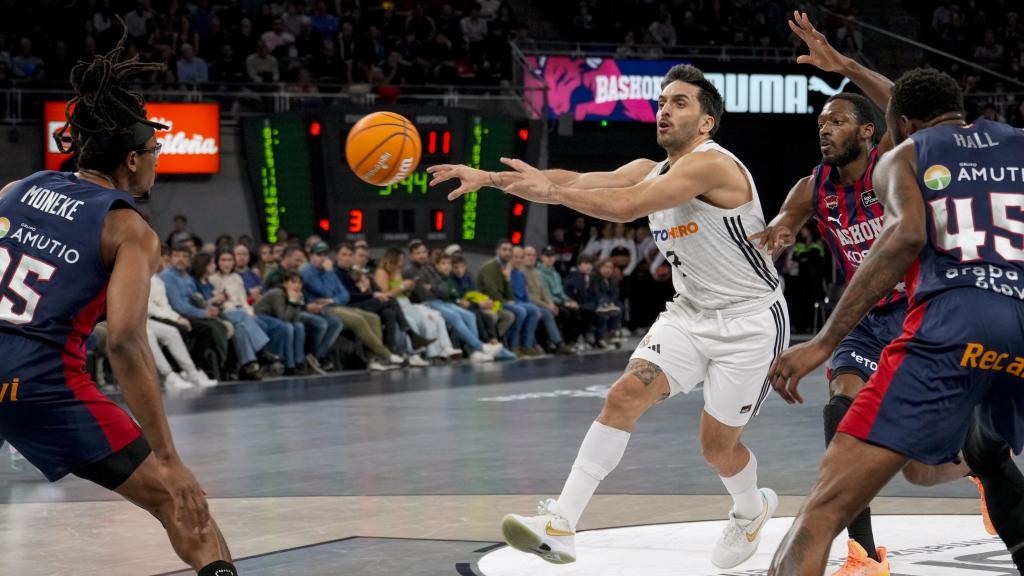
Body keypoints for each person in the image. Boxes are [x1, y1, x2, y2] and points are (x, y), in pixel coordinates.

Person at [430, 63, 788, 569]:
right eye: (662, 102)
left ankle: (751, 510)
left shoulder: (713, 165)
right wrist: (489, 178)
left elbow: (626, 207)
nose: (665, 110)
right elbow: (573, 179)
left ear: (707, 122)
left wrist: (553, 194)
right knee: (622, 396)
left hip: (749, 320)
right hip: (689, 314)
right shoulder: (650, 167)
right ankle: (561, 525)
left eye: (680, 102)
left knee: (717, 447)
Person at [766, 67, 1024, 576]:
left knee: (821, 509)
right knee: (978, 457)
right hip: (1013, 313)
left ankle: (859, 554)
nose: (825, 128)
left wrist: (821, 340)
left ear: (893, 125)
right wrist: (776, 233)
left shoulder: (900, 157)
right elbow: (784, 222)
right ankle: (969, 466)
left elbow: (906, 236)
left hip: (945, 318)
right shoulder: (1016, 142)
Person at [0, 32, 238, 575]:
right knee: (182, 503)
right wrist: (169, 459)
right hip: (41, 384)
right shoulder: (128, 228)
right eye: (155, 152)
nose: (158, 161)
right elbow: (128, 341)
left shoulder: (16, 188)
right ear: (132, 159)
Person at [302, 242, 403, 372]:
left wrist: (333, 299)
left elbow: (345, 295)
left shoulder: (329, 272)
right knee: (358, 320)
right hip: (322, 309)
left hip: (337, 305)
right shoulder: (309, 273)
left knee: (373, 318)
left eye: (324, 255)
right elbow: (325, 291)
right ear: (311, 256)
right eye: (318, 255)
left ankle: (373, 359)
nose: (322, 258)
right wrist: (329, 273)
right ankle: (386, 354)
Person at [335, 242, 433, 362]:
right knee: (390, 300)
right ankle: (409, 334)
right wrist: (367, 292)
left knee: (390, 313)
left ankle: (390, 352)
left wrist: (369, 289)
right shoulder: (340, 273)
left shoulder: (363, 272)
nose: (363, 259)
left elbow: (378, 291)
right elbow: (350, 296)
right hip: (352, 306)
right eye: (360, 256)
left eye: (366, 257)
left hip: (367, 302)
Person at [404, 240, 499, 363]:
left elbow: (444, 292)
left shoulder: (429, 269)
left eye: (423, 252)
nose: (422, 255)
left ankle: (475, 353)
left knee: (470, 316)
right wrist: (435, 289)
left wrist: (433, 288)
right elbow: (422, 294)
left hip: (440, 301)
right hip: (425, 304)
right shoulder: (409, 271)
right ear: (411, 255)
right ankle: (480, 347)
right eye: (418, 253)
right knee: (455, 317)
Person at [375, 247, 460, 361]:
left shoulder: (398, 271)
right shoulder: (381, 272)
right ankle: (414, 353)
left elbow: (402, 292)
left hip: (406, 302)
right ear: (392, 259)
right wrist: (402, 286)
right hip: (395, 305)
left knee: (433, 317)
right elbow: (385, 295)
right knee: (413, 322)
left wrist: (409, 288)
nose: (401, 263)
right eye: (399, 260)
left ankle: (440, 349)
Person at [160, 246, 231, 379]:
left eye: (184, 256)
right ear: (170, 258)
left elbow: (195, 299)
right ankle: (195, 369)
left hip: (191, 312)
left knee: (223, 322)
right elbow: (178, 305)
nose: (180, 259)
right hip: (175, 315)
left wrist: (208, 309)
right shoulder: (167, 276)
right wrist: (204, 313)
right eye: (177, 255)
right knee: (208, 328)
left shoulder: (187, 277)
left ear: (189, 260)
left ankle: (220, 368)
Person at [210, 249, 283, 378]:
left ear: (233, 262)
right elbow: (217, 301)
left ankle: (249, 365)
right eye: (223, 260)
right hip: (225, 312)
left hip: (241, 312)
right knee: (245, 317)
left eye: (229, 260)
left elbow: (244, 302)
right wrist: (244, 313)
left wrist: (250, 312)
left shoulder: (237, 278)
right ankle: (262, 352)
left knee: (243, 327)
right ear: (217, 262)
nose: (226, 263)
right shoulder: (213, 279)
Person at [271, 246, 342, 371]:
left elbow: (301, 295)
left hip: (300, 307)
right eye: (297, 260)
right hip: (284, 311)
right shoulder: (276, 276)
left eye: (301, 261)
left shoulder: (298, 274)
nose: (300, 264)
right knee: (320, 323)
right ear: (287, 258)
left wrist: (312, 305)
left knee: (336, 322)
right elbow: (281, 298)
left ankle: (318, 356)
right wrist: (306, 306)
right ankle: (310, 356)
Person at [148, 259, 217, 388]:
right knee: (150, 334)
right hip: (141, 319)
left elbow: (164, 305)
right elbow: (149, 307)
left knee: (172, 332)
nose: (160, 262)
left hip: (147, 319)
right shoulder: (137, 279)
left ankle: (192, 373)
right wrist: (176, 318)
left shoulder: (157, 280)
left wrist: (177, 317)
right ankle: (169, 375)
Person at [476, 239, 540, 356]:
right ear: (497, 251)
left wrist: (507, 278)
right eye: (504, 250)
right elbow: (492, 292)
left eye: (509, 250)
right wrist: (507, 301)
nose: (507, 252)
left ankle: (526, 345)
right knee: (520, 311)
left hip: (501, 301)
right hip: (490, 302)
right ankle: (514, 346)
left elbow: (509, 294)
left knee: (534, 310)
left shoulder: (506, 267)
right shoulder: (490, 267)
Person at [254, 272, 314, 376]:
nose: (297, 286)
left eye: (300, 283)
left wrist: (297, 302)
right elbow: (284, 318)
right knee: (288, 327)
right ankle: (289, 365)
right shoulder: (277, 293)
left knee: (299, 326)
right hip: (261, 317)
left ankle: (298, 363)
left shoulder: (297, 294)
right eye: (293, 282)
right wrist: (292, 301)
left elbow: (295, 319)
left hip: (277, 319)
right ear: (285, 284)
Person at [538, 246, 585, 348]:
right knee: (564, 312)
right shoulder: (539, 273)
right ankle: (554, 340)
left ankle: (570, 341)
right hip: (547, 301)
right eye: (547, 255)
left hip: (558, 301)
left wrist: (569, 300)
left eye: (552, 255)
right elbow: (547, 294)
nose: (550, 258)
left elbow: (561, 293)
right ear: (542, 257)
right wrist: (565, 303)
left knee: (577, 310)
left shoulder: (555, 273)